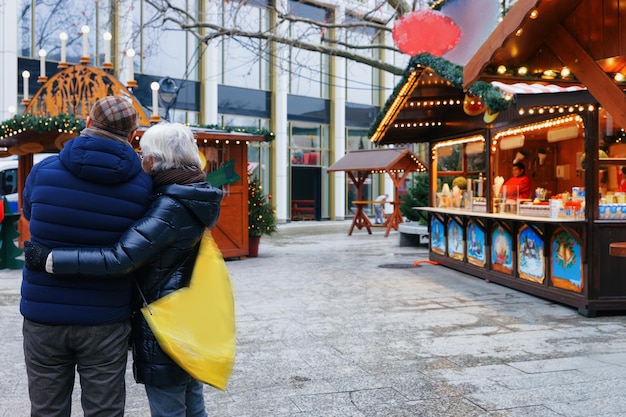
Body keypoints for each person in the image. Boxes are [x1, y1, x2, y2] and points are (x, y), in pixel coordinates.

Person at [25, 122, 224, 417]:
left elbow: (121, 258)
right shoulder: (190, 192)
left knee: (169, 407)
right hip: (184, 314)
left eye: (143, 155)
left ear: (154, 161)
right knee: (190, 402)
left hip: (164, 322)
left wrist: (51, 259)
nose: (140, 162)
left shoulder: (168, 207)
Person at [20, 95, 153, 417]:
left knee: (47, 409)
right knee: (104, 410)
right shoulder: (142, 186)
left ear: (89, 124)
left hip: (43, 314)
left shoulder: (44, 170)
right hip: (105, 317)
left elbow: (28, 213)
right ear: (133, 134)